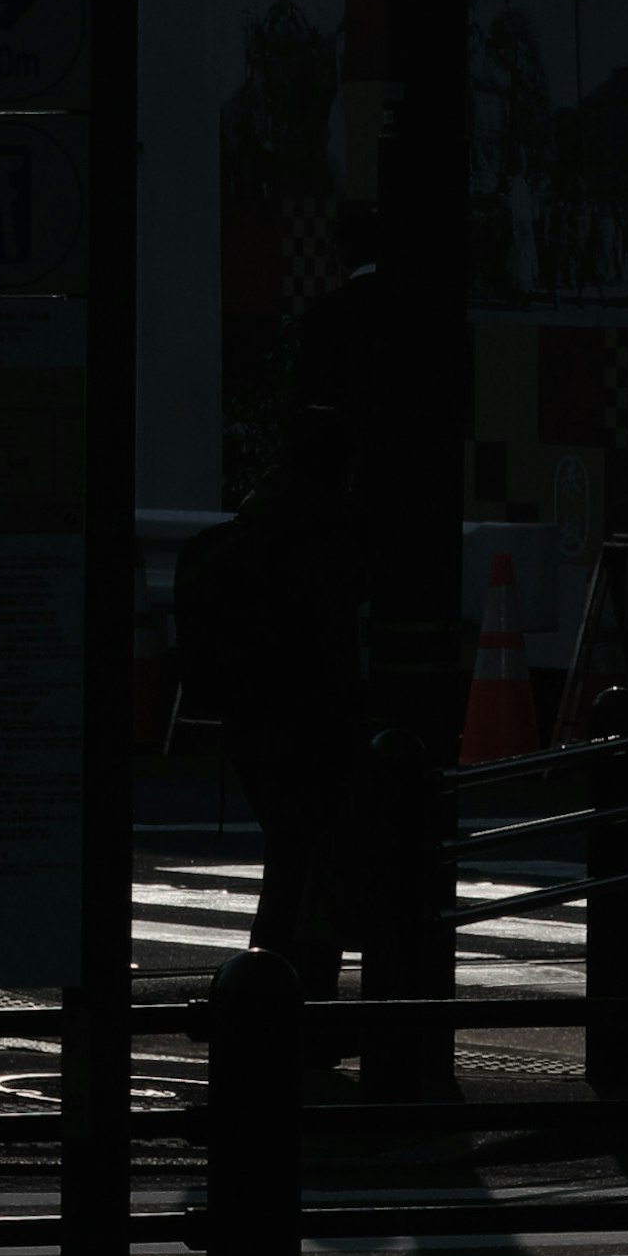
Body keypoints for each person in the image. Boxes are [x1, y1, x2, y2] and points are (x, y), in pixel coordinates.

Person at [167, 385, 373, 1011]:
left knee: (290, 851)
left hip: (251, 715)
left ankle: (273, 986)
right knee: (312, 856)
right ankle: (292, 992)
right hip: (315, 718)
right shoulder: (333, 528)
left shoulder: (261, 514)